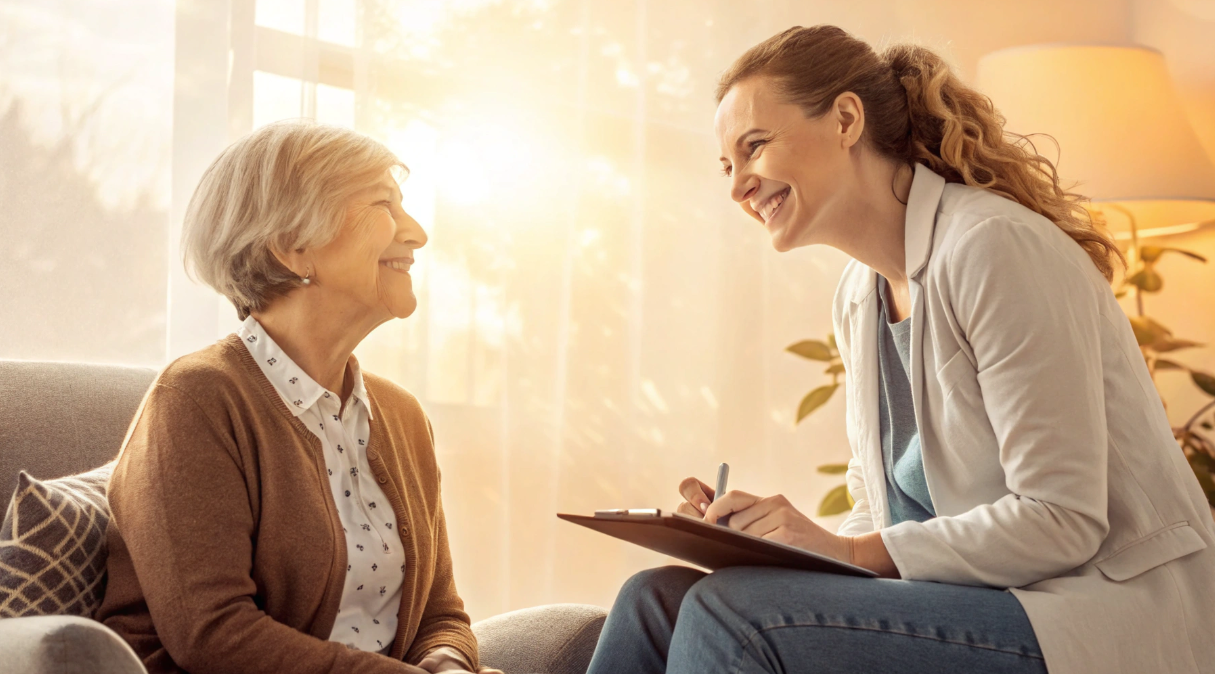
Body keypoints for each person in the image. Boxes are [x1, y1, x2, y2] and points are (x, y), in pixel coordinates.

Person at [587, 25, 1215, 674]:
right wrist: (784, 545)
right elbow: (879, 507)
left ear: (845, 120)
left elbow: (1060, 520)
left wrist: (853, 552)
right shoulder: (858, 295)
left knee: (730, 612)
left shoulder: (994, 249)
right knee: (651, 600)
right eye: (727, 166)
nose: (737, 186)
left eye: (753, 148)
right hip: (974, 601)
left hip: (1094, 617)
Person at [96, 121, 501, 674]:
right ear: (293, 247)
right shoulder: (196, 401)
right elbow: (213, 634)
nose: (417, 233)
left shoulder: (403, 418)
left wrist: (450, 664)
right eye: (385, 205)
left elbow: (440, 611)